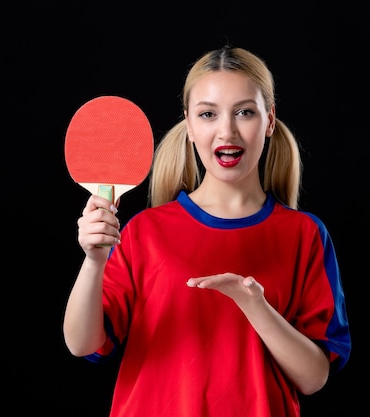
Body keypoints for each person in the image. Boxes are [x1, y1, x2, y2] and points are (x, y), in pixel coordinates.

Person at [62, 45, 351, 417]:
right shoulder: (144, 231)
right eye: (208, 114)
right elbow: (83, 344)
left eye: (245, 112)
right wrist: (94, 261)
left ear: (269, 120)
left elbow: (314, 378)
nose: (226, 131)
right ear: (189, 124)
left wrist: (254, 306)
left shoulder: (305, 234)